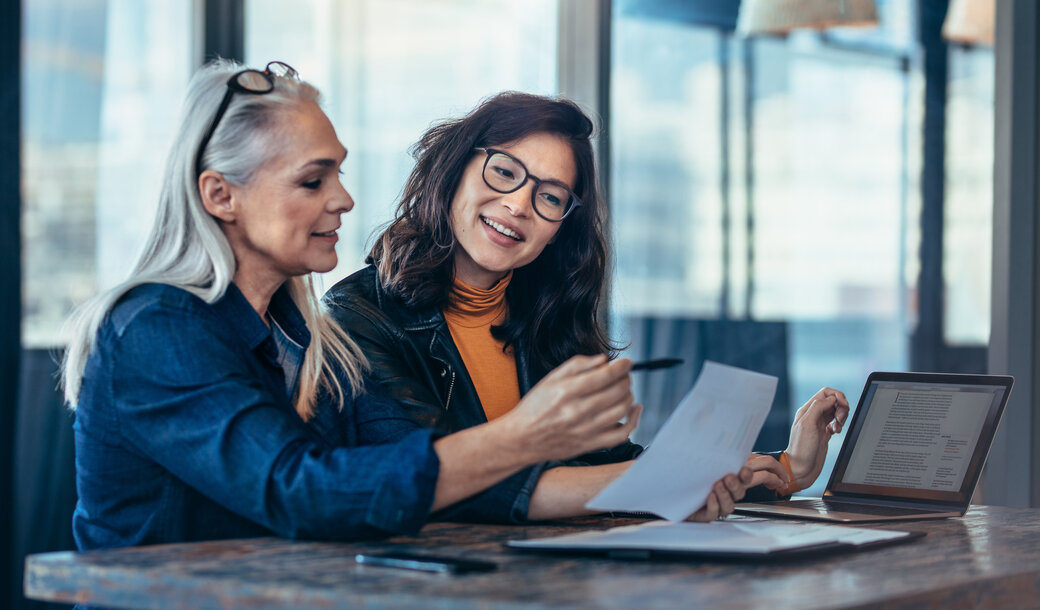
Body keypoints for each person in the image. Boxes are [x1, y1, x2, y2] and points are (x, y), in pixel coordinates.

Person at [62, 61, 752, 551]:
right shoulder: (157, 329)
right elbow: (303, 492)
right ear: (220, 196)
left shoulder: (302, 337)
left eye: (338, 170)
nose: (343, 199)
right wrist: (525, 435)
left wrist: (701, 477)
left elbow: (411, 471)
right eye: (313, 179)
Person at [323, 91, 850, 498]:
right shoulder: (356, 317)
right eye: (504, 171)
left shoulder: (547, 315)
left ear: (560, 226)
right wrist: (667, 485)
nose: (518, 205)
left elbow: (605, 465)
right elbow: (436, 480)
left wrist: (786, 468)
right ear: (454, 169)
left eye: (549, 196)